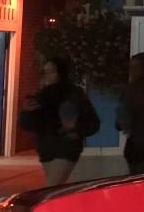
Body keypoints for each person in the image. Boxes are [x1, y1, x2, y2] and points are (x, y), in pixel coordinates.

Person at [19, 56, 99, 186]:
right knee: (56, 188)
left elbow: (92, 122)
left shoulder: (73, 94)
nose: (48, 75)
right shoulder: (41, 96)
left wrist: (75, 130)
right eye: (45, 71)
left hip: (66, 147)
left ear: (61, 73)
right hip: (46, 148)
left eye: (52, 71)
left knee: (51, 186)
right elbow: (28, 125)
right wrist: (26, 111)